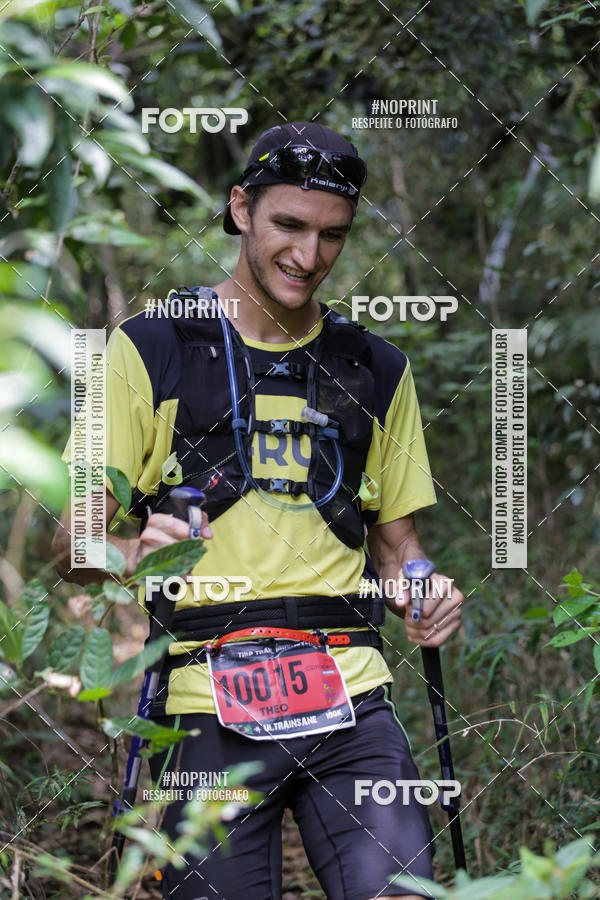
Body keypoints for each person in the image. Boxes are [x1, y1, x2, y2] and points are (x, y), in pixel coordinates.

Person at [53, 121, 464, 900]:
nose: (309, 257)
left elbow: (399, 546)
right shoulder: (151, 348)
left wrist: (424, 586)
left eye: (332, 235)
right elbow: (72, 536)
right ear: (241, 207)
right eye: (289, 225)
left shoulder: (376, 369)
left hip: (351, 696)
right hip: (206, 695)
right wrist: (129, 549)